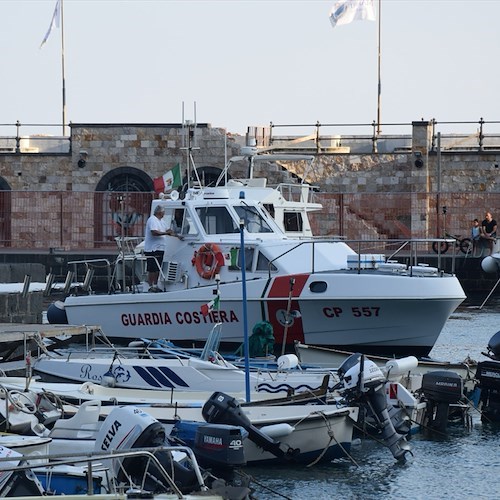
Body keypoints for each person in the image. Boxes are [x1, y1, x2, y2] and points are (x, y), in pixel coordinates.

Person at [144, 205, 179, 292]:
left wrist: (176, 235)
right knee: (152, 269)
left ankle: (155, 285)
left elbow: (168, 230)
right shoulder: (152, 220)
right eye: (163, 212)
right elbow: (154, 232)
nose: (164, 214)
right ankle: (150, 286)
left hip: (160, 248)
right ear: (159, 212)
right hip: (152, 248)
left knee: (158, 268)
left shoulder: (161, 221)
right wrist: (165, 233)